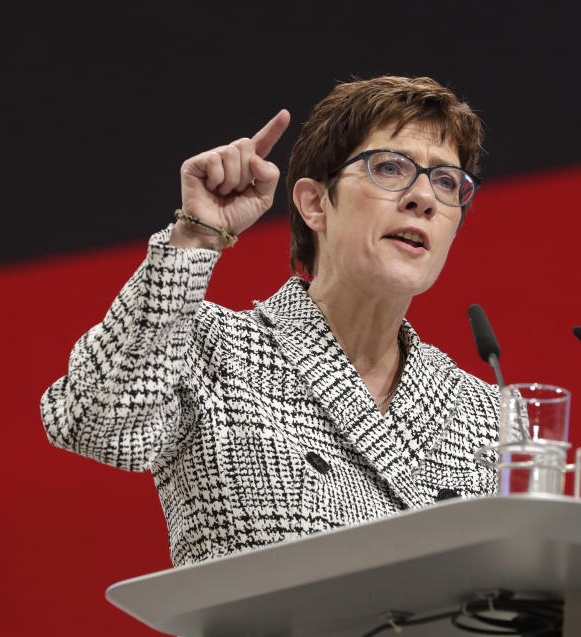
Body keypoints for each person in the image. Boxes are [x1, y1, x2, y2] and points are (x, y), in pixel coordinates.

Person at [40, 76, 500, 567]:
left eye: (447, 182)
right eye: (390, 167)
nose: (424, 198)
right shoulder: (210, 350)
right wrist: (197, 235)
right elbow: (95, 422)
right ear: (314, 204)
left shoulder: (487, 413)